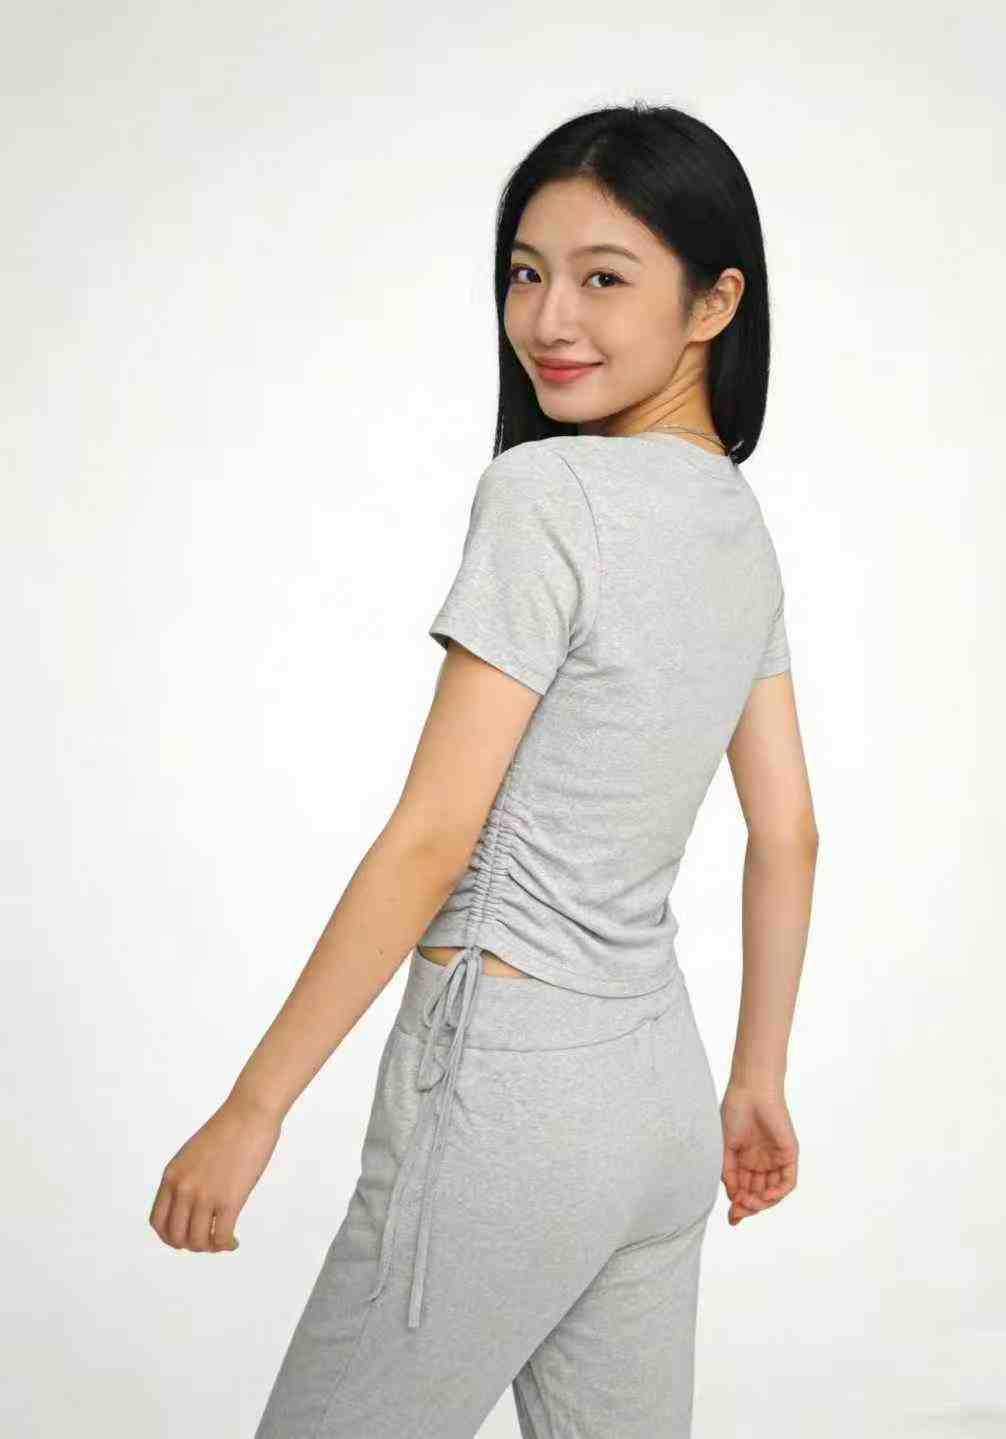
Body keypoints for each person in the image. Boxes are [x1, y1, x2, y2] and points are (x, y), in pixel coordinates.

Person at [149, 101, 818, 1438]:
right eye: (525, 272)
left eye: (604, 278)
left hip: (507, 1098)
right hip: (659, 1095)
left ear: (714, 303)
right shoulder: (734, 522)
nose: (549, 319)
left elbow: (431, 836)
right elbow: (788, 830)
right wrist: (757, 1078)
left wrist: (254, 1106)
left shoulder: (548, 496)